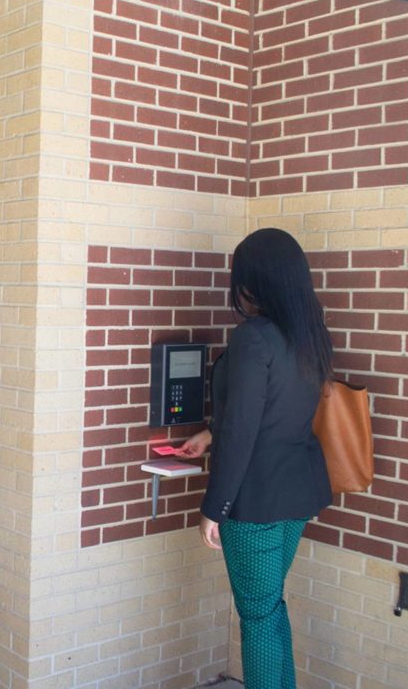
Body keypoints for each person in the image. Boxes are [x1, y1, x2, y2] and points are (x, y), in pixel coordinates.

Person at [177, 228, 333, 689]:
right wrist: (209, 433)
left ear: (256, 279)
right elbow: (274, 408)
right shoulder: (310, 334)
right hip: (298, 492)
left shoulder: (253, 338)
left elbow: (245, 429)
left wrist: (214, 508)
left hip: (257, 500)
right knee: (269, 606)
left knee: (258, 617)